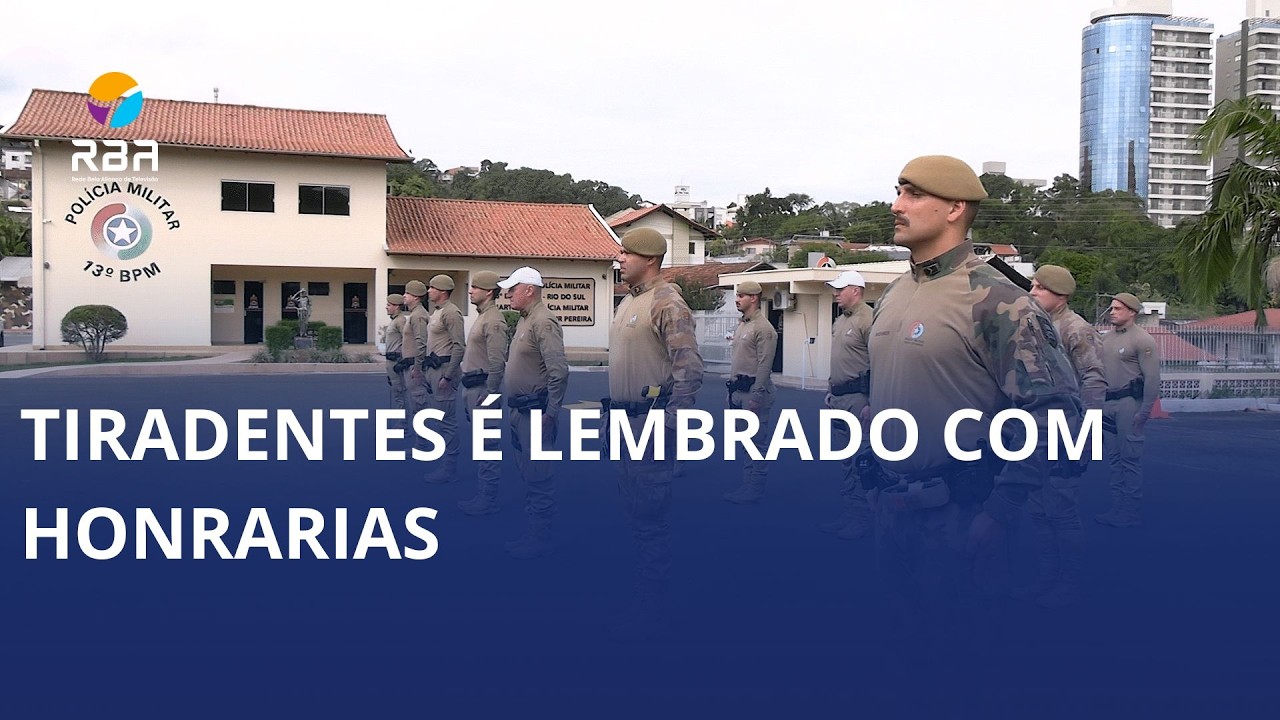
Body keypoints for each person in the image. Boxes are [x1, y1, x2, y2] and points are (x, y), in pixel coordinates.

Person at [868, 155, 1081, 628]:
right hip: (890, 510)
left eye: (913, 194)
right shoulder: (894, 294)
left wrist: (1002, 510)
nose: (896, 205)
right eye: (899, 191)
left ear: (955, 209)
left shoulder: (998, 300)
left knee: (965, 662)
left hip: (962, 518)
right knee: (895, 651)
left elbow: (1055, 415)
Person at [608, 226, 703, 636]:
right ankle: (643, 590)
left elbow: (689, 369)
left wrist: (671, 422)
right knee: (633, 512)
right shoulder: (630, 301)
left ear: (649, 259)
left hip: (650, 424)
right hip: (624, 422)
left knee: (651, 515)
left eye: (626, 254)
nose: (620, 260)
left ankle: (654, 605)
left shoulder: (667, 302)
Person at [1023, 265, 1106, 607]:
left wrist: (1086, 434)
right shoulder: (1035, 325)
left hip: (1065, 429)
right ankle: (1046, 578)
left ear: (1061, 295)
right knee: (1037, 509)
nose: (1032, 290)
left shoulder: (1076, 329)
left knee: (1061, 509)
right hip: (1036, 429)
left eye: (1040, 287)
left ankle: (1068, 581)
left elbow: (1095, 380)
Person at [497, 266, 568, 559]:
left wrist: (551, 413)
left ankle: (540, 539)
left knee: (539, 477)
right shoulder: (527, 320)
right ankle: (533, 533)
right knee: (528, 473)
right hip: (520, 411)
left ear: (529, 289)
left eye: (513, 288)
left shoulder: (544, 322)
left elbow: (559, 371)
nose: (508, 293)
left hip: (536, 412)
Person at [1095, 292, 1160, 529]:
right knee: (1114, 459)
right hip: (1108, 403)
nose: (1112, 312)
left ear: (1132, 312)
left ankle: (1130, 511)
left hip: (1128, 403)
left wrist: (1144, 412)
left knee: (1129, 458)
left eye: (1117, 309)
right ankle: (1117, 507)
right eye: (1111, 308)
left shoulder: (1142, 340)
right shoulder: (1105, 339)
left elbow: (1152, 379)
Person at [820, 269, 874, 539]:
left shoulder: (868, 319)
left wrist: (872, 402)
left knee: (861, 461)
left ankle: (864, 518)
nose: (836, 293)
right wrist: (830, 389)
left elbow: (880, 363)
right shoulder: (840, 321)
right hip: (839, 398)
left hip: (859, 400)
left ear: (856, 290)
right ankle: (851, 515)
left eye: (841, 289)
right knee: (845, 461)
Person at [457, 271, 510, 517]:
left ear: (489, 292)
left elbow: (497, 363)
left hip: (483, 391)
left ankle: (487, 498)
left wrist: (490, 395)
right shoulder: (483, 317)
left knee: (487, 445)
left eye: (475, 287)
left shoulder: (494, 322)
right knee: (481, 444)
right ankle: (484, 494)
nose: (470, 291)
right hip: (473, 389)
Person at [722, 280, 777, 504]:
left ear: (754, 298)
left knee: (757, 443)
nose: (737, 299)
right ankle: (747, 486)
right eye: (737, 295)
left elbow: (765, 364)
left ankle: (755, 488)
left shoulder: (763, 328)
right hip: (738, 392)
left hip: (754, 393)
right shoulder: (743, 324)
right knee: (746, 442)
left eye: (741, 296)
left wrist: (756, 395)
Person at [421, 274, 466, 483]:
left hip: (444, 371)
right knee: (440, 419)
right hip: (434, 369)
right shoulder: (437, 312)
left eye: (431, 288)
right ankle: (446, 463)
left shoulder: (451, 313)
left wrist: (448, 376)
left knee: (447, 421)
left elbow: (459, 346)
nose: (428, 291)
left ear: (442, 291)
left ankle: (449, 468)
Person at [402, 279, 431, 439]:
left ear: (416, 296)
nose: (404, 296)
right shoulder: (414, 314)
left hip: (415, 366)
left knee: (419, 403)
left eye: (407, 293)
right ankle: (420, 441)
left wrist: (418, 367)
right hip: (411, 365)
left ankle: (423, 443)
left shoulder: (418, 315)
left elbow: (421, 342)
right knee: (416, 404)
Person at [383, 293, 408, 427]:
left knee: (399, 392)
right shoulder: (394, 320)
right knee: (396, 391)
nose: (386, 307)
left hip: (396, 361)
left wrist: (402, 360)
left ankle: (403, 423)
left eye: (389, 305)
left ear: (396, 306)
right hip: (391, 361)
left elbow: (407, 340)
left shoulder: (400, 321)